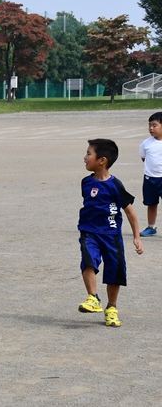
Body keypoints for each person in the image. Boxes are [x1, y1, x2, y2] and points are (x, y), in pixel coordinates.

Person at [77, 138, 143, 327]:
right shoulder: (86, 183)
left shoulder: (115, 185)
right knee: (88, 260)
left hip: (111, 235)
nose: (85, 157)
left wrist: (137, 237)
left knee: (114, 271)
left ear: (102, 160)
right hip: (89, 232)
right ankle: (93, 298)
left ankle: (111, 308)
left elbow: (130, 211)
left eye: (89, 153)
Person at [139, 111, 162, 236]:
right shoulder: (146, 143)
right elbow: (144, 158)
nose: (151, 128)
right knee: (151, 203)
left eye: (154, 125)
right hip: (149, 179)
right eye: (149, 126)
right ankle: (151, 227)